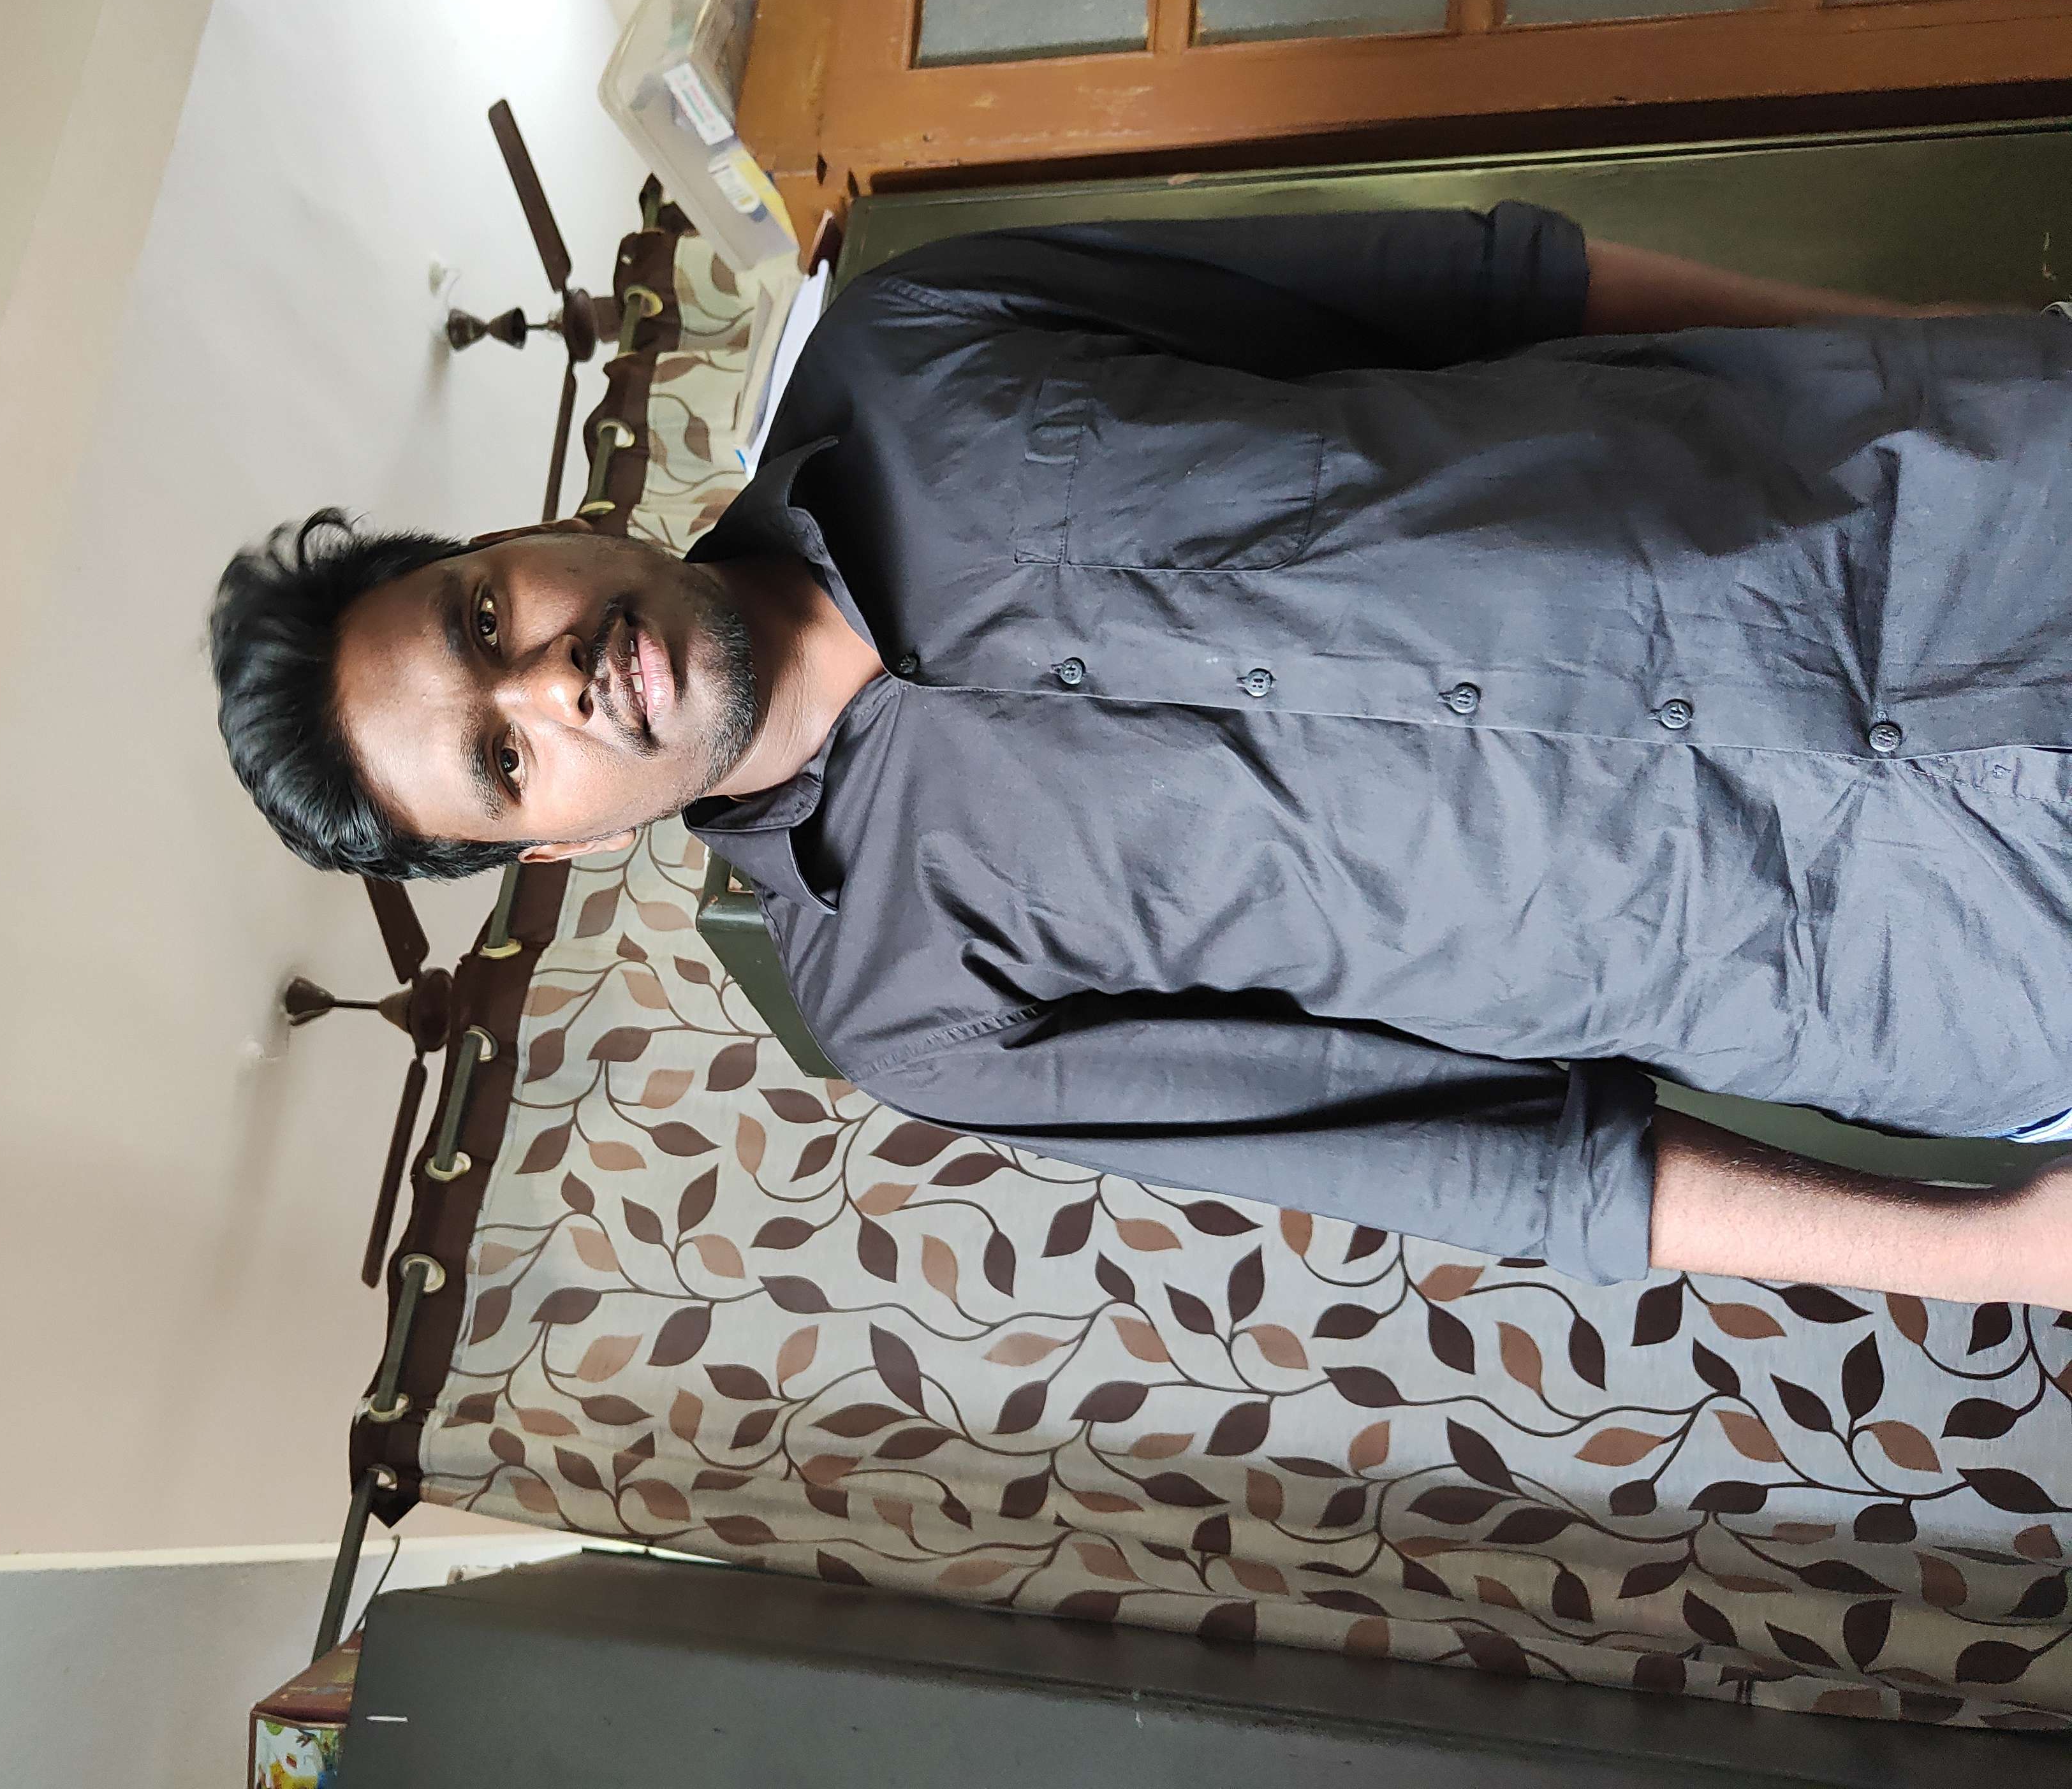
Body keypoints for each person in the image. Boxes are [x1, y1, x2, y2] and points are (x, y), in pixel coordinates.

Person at [210, 203, 2072, 1306]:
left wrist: (1940, 359)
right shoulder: (913, 1009)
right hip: (1961, 971)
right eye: (501, 762)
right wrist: (1991, 1249)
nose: (549, 680)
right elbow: (1505, 1163)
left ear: (520, 538)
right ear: (550, 849)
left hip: (1982, 510)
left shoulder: (915, 338)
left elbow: (1494, 284)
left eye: (481, 618)